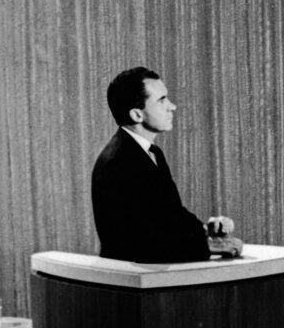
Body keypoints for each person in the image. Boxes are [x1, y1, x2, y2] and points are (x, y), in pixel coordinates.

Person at [91, 66, 243, 261]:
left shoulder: (149, 152)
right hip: (135, 284)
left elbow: (170, 215)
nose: (172, 106)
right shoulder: (119, 162)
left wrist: (206, 230)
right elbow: (142, 240)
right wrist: (207, 246)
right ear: (137, 114)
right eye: (162, 100)